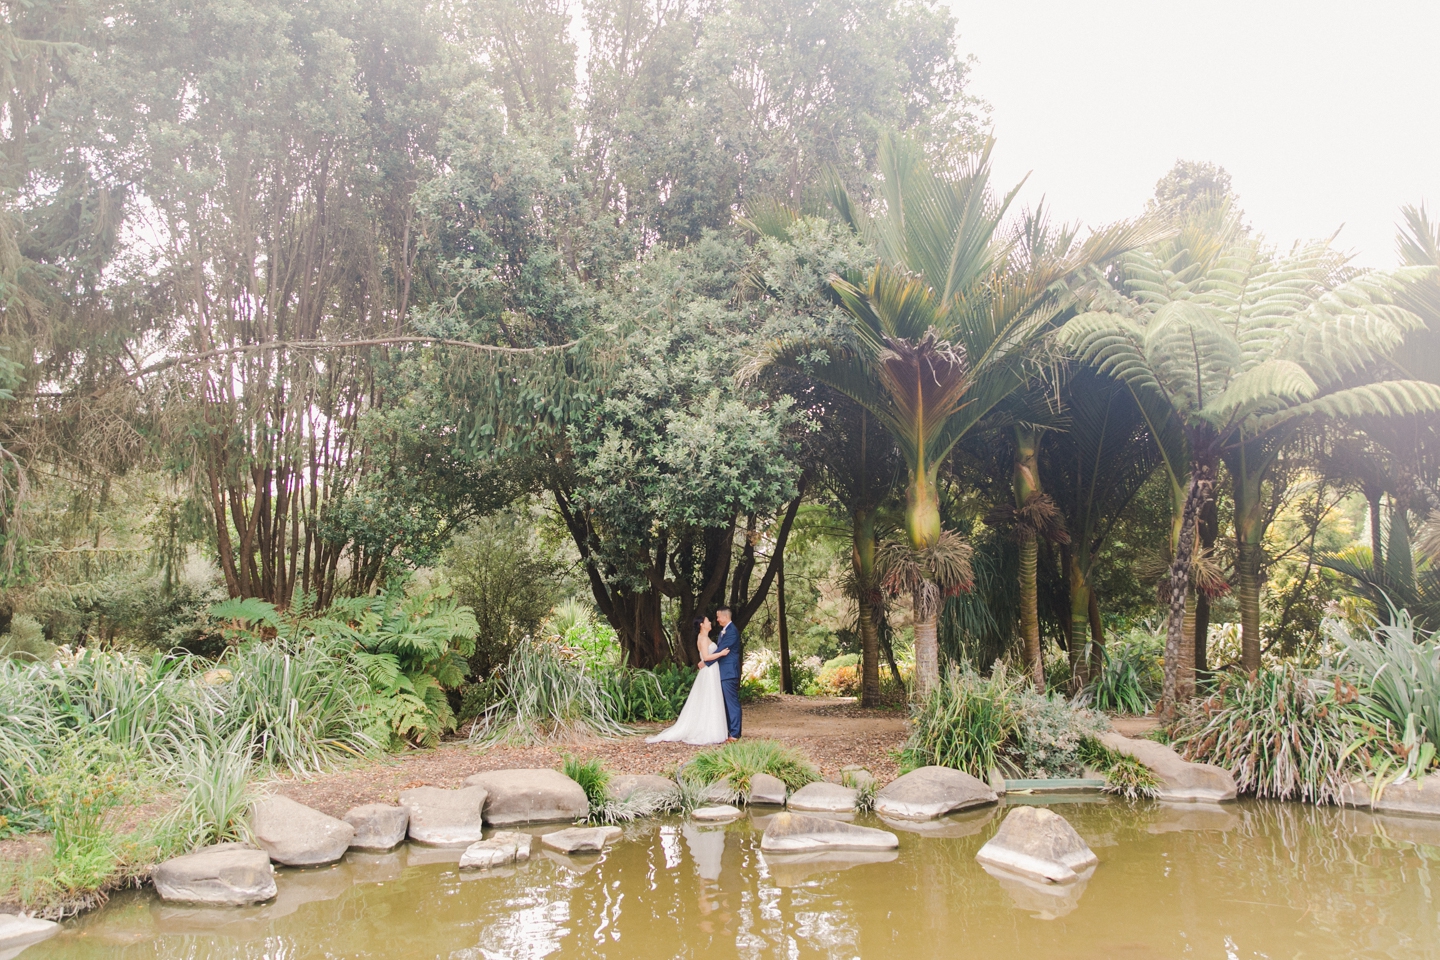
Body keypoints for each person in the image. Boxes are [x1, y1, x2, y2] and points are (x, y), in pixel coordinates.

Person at [645, 616, 730, 744]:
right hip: (709, 671)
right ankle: (708, 731)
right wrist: (721, 653)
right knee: (709, 698)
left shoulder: (706, 638)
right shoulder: (702, 638)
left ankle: (712, 728)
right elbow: (706, 657)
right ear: (702, 624)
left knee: (712, 698)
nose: (710, 622)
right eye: (707, 621)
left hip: (711, 670)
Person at [714, 606, 742, 741]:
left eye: (719, 616)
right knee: (725, 702)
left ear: (725, 617)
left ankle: (735, 733)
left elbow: (722, 649)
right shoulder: (723, 631)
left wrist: (706, 661)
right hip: (724, 671)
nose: (717, 619)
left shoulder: (731, 631)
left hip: (729, 672)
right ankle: (729, 730)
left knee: (731, 703)